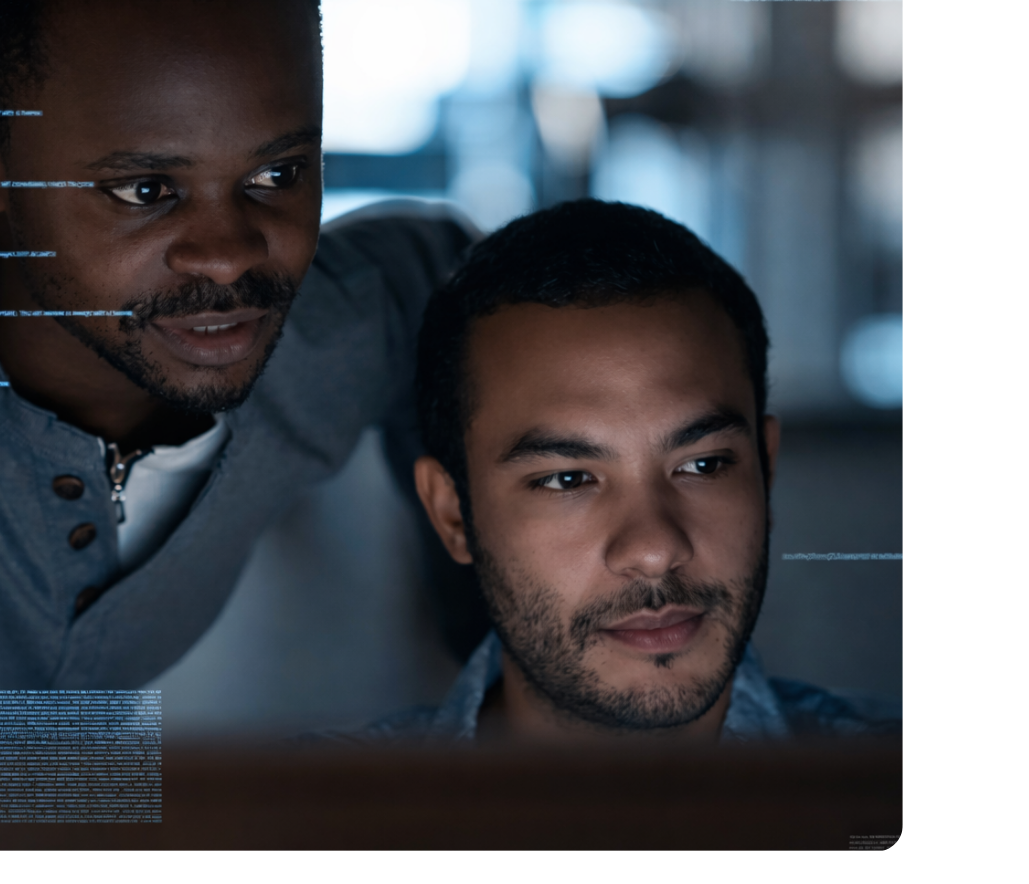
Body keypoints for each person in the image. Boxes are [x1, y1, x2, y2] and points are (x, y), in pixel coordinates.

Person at [0, 0, 485, 689]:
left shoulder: (338, 338)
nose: (228, 255)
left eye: (278, 176)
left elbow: (436, 279)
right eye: (146, 191)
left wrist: (501, 674)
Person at [327, 199, 901, 744]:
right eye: (568, 479)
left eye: (703, 464)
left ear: (765, 469)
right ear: (453, 514)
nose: (655, 549)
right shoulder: (308, 824)